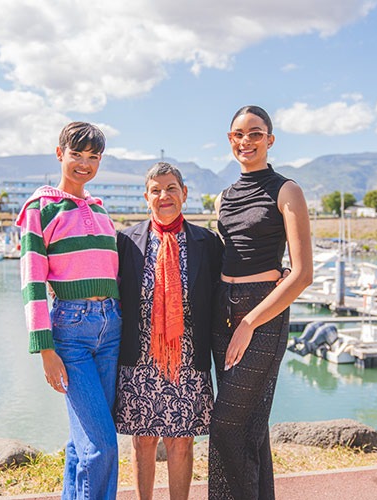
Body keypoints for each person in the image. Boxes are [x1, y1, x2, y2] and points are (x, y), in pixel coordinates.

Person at [208, 105, 313, 500]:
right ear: (230, 141)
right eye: (238, 134)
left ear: (270, 139)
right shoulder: (224, 197)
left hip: (262, 313)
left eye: (255, 133)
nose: (246, 141)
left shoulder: (287, 190)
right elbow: (224, 257)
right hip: (223, 308)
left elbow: (302, 273)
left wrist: (250, 321)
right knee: (249, 424)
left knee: (226, 424)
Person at [16, 122, 121, 500]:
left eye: (93, 157)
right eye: (77, 154)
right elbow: (32, 282)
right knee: (102, 446)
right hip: (71, 331)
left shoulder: (99, 208)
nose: (84, 163)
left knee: (83, 444)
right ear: (59, 153)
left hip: (112, 328)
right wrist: (45, 349)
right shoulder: (39, 208)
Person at [114, 162, 224, 500]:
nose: (164, 195)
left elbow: (227, 291)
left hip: (187, 360)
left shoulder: (207, 242)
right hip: (139, 357)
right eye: (156, 190)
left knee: (182, 442)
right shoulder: (126, 241)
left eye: (171, 188)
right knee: (143, 441)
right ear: (146, 197)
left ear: (184, 194)